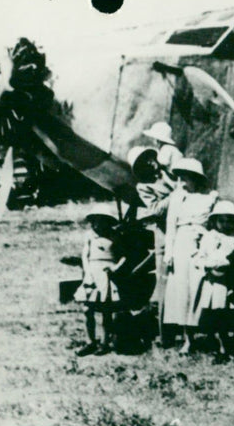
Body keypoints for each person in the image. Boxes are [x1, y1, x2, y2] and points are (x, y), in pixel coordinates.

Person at [188, 200, 234, 362]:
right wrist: (208, 265)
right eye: (222, 220)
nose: (226, 224)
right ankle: (222, 348)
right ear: (215, 221)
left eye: (230, 221)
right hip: (216, 282)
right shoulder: (209, 237)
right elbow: (199, 258)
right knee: (219, 316)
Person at [163, 158, 218, 353]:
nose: (182, 182)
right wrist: (169, 252)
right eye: (180, 178)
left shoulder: (210, 197)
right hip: (181, 245)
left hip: (202, 244)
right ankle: (189, 338)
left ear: (196, 178)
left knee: (203, 288)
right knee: (183, 292)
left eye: (186, 178)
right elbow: (171, 227)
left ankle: (210, 334)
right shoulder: (177, 198)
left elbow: (215, 224)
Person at [127, 145, 176, 343]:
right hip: (164, 237)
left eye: (150, 157)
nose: (150, 163)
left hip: (182, 235)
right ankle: (165, 334)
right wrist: (177, 195)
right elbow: (156, 210)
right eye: (143, 162)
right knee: (164, 285)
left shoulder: (171, 175)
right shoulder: (144, 187)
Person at [73, 213, 125, 355]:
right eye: (94, 221)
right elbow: (85, 255)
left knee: (105, 310)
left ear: (107, 222)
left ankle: (104, 342)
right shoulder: (90, 235)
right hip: (92, 272)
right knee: (87, 309)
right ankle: (90, 342)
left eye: (101, 221)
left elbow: (124, 256)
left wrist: (115, 268)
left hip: (107, 274)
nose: (97, 225)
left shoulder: (115, 235)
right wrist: (88, 272)